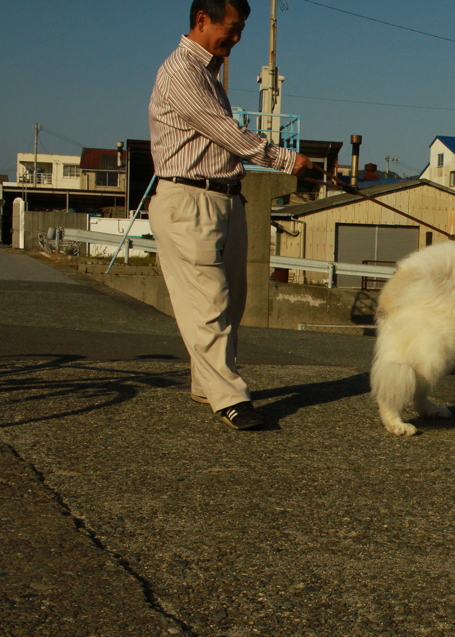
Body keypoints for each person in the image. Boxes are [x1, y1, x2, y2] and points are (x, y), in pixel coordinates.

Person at [148, 0, 313, 430]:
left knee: (231, 301)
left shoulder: (208, 72)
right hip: (188, 200)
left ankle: (207, 384)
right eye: (232, 28)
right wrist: (285, 159)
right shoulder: (181, 72)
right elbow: (228, 133)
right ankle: (230, 399)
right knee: (209, 303)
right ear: (202, 20)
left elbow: (219, 141)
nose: (237, 39)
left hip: (224, 197)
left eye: (241, 30)